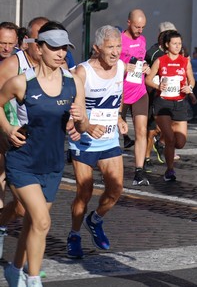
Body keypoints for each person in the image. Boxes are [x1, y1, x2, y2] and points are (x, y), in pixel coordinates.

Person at [0, 21, 88, 287]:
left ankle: (15, 270)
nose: (60, 53)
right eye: (54, 47)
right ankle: (34, 279)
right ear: (39, 48)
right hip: (23, 161)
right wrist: (7, 128)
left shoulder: (73, 83)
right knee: (42, 220)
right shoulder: (21, 82)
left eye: (64, 48)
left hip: (52, 164)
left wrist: (80, 122)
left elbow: (80, 126)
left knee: (32, 221)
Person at [66, 26, 127, 259]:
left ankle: (95, 219)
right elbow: (69, 106)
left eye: (118, 46)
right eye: (110, 47)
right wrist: (81, 124)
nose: (115, 52)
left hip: (109, 138)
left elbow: (116, 97)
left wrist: (120, 117)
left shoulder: (120, 67)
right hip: (83, 141)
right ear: (97, 48)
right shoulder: (82, 72)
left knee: (116, 189)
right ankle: (73, 235)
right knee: (85, 192)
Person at [0, 17, 48, 259]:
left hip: (38, 146)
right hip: (6, 139)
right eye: (39, 40)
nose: (44, 46)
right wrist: (8, 129)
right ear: (27, 41)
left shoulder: (56, 67)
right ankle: (30, 270)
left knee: (24, 208)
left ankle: (28, 266)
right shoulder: (12, 65)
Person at [145, 30, 195, 182]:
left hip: (180, 104)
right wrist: (158, 86)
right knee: (171, 140)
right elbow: (148, 80)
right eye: (174, 43)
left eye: (179, 43)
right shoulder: (160, 61)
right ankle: (170, 170)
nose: (178, 46)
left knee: (180, 142)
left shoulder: (185, 61)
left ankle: (160, 141)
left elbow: (191, 80)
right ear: (167, 45)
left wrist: (189, 88)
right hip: (163, 104)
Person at [119, 9, 151, 186]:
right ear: (128, 22)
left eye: (143, 27)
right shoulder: (119, 40)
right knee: (116, 131)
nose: (140, 30)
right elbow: (108, 61)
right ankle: (109, 167)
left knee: (141, 131)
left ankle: (139, 171)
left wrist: (145, 66)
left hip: (139, 90)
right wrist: (123, 67)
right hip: (121, 92)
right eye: (137, 26)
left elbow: (141, 59)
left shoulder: (142, 40)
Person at [143, 22, 178, 169]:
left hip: (171, 95)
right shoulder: (153, 53)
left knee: (175, 123)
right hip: (153, 95)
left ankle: (161, 142)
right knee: (150, 130)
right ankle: (146, 158)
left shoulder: (177, 53)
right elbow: (145, 73)